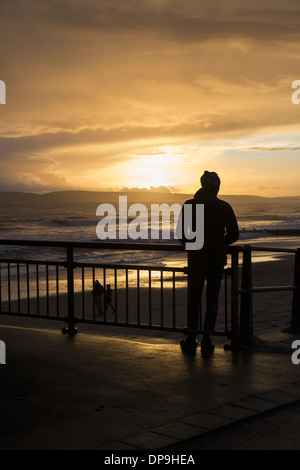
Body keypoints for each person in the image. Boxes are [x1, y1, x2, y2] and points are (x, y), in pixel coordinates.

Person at [178, 171, 239, 355]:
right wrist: (219, 244)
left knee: (194, 300)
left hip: (196, 260)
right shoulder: (224, 206)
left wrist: (195, 246)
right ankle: (207, 338)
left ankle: (191, 337)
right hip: (216, 260)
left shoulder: (190, 205)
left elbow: (182, 234)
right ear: (217, 187)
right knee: (212, 300)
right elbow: (234, 233)